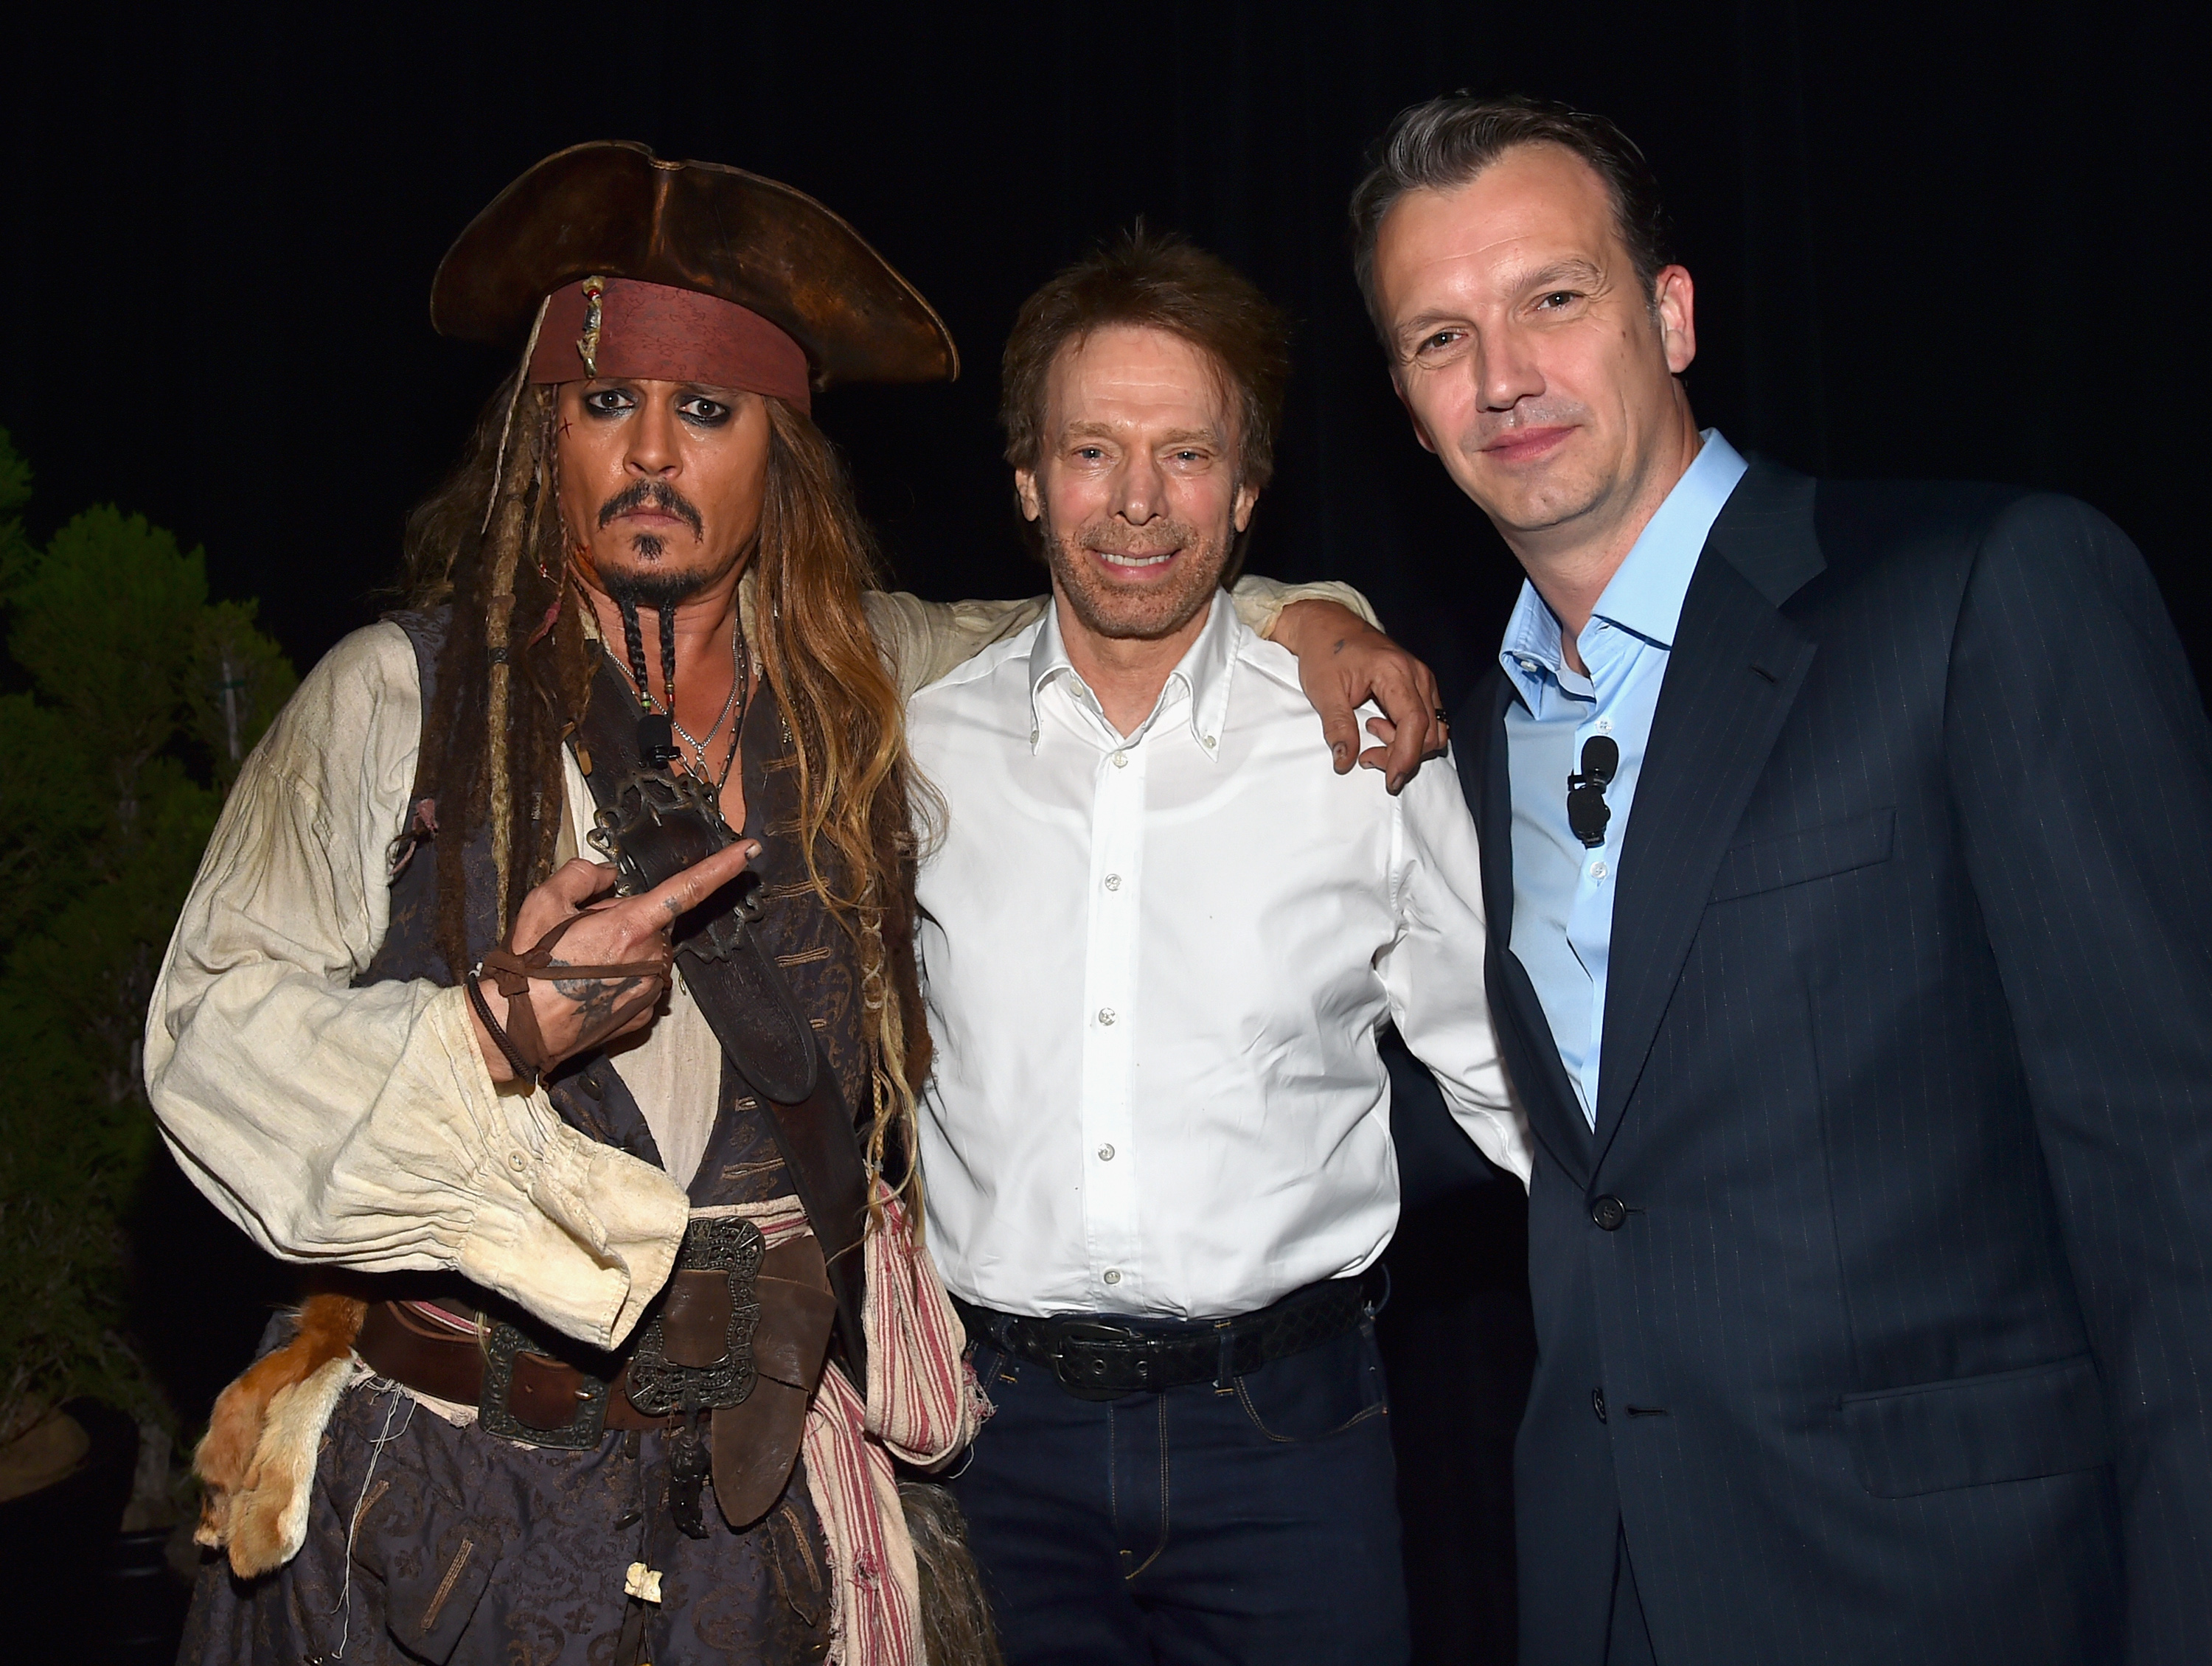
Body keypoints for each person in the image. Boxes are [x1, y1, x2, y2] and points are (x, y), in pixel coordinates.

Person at [146, 144, 1423, 1666]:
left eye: (708, 411)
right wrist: (484, 1033)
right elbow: (203, 1039)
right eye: (606, 406)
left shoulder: (863, 679)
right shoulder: (391, 703)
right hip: (447, 1504)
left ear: (781, 448)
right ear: (537, 437)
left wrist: (1321, 620)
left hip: (753, 1533)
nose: (652, 459)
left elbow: (1121, 592)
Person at [1350, 94, 2212, 1665]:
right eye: (1438, 337)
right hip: (1604, 1583)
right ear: (1409, 411)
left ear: (1668, 314)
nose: (1504, 377)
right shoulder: (1460, 755)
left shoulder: (1983, 594)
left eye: (1555, 297)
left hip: (1953, 1587)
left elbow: (2178, 1185)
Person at [908, 229, 1527, 1666]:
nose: (1136, 502)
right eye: (1091, 452)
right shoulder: (920, 753)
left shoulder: (1356, 750)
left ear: (1247, 491)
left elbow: (1511, 1073)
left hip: (1289, 1437)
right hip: (994, 1444)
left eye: (1186, 454)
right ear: (1025, 480)